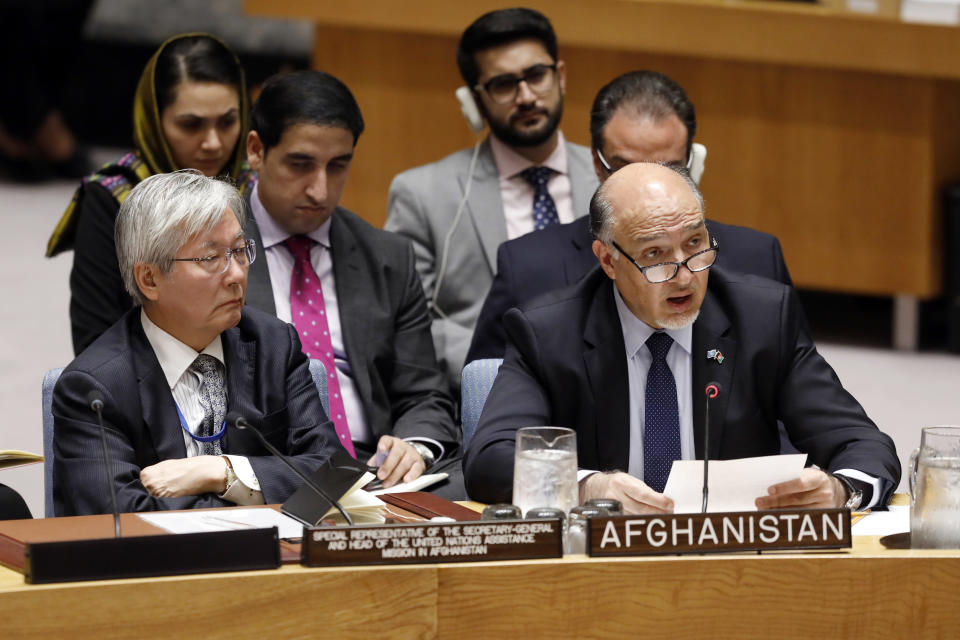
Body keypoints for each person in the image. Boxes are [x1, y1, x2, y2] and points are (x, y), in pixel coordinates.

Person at [463, 162, 900, 513]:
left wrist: (842, 491)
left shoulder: (762, 318)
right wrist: (587, 487)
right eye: (655, 255)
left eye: (695, 245)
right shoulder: (547, 332)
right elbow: (491, 458)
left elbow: (861, 443)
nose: (684, 275)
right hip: (603, 568)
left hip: (734, 566)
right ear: (608, 260)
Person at [53, 171, 337, 516]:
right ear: (149, 279)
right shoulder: (94, 387)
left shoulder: (272, 344)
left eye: (238, 251)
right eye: (210, 258)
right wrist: (260, 491)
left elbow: (333, 474)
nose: (236, 275)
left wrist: (221, 472)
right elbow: (120, 518)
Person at [467, 70, 792, 362]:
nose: (649, 188)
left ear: (693, 163)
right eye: (628, 169)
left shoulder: (757, 260)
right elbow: (488, 397)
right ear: (596, 163)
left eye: (670, 169)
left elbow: (793, 402)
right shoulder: (529, 268)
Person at [243, 71, 462, 497]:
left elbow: (424, 395)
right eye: (300, 164)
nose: (319, 190)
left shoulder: (387, 257)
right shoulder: (213, 251)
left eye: (337, 166)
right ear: (256, 150)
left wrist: (413, 447)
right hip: (272, 470)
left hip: (377, 473)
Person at [385, 8, 599, 392]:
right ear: (475, 101)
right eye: (503, 84)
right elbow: (404, 324)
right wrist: (509, 360)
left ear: (560, 76)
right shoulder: (423, 195)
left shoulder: (613, 181)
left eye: (536, 76)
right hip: (487, 395)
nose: (526, 96)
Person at [47, 33, 255, 356]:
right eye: (191, 125)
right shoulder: (115, 198)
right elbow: (95, 345)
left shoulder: (255, 186)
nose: (213, 142)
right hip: (145, 391)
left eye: (227, 122)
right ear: (155, 122)